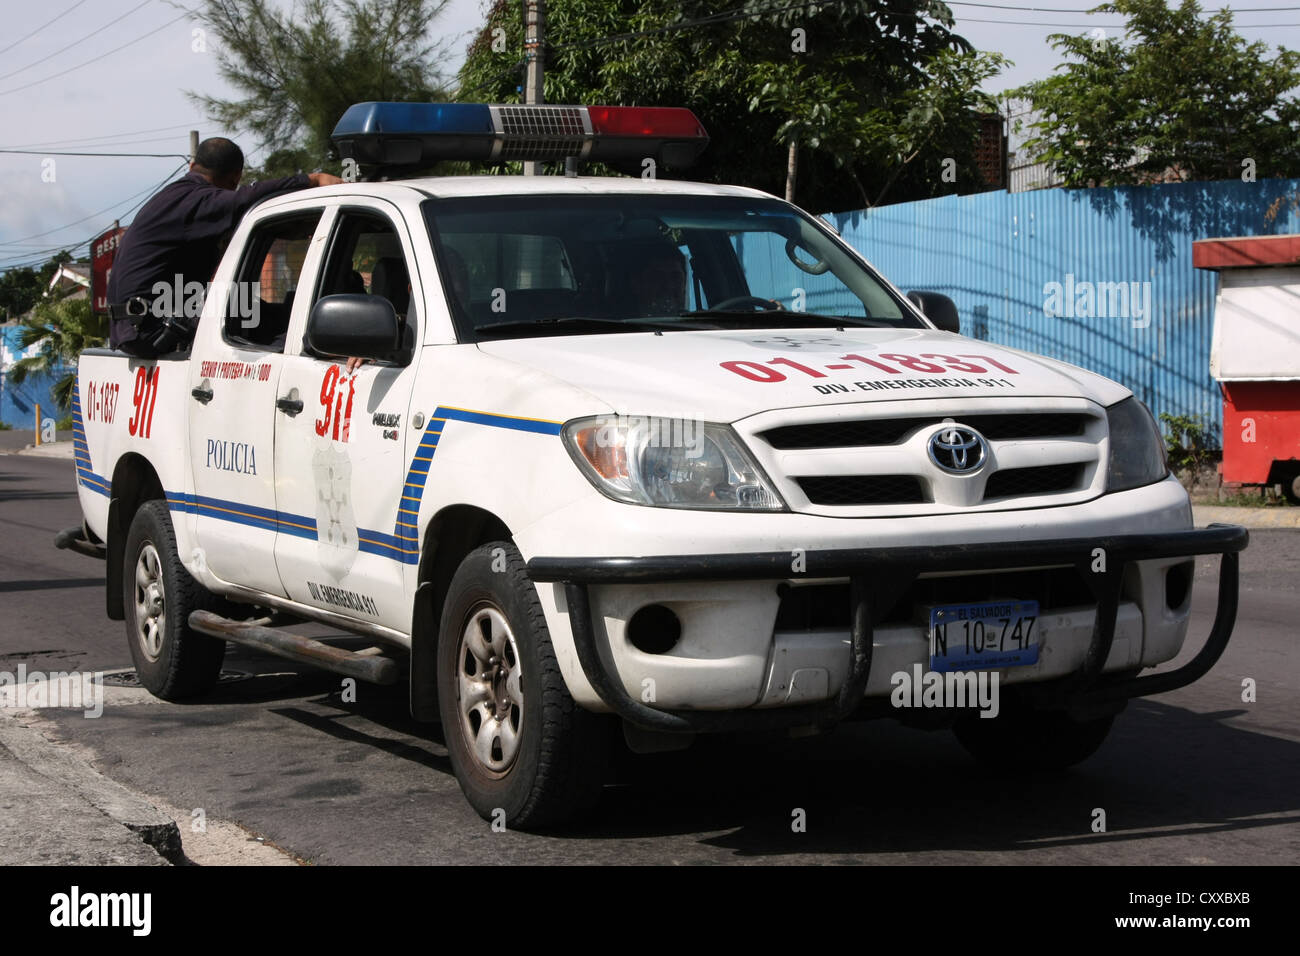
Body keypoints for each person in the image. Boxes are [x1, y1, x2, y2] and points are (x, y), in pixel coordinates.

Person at [106, 137, 343, 356]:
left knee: (258, 310)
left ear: (192, 165)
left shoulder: (175, 198)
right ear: (235, 178)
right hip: (150, 330)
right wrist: (310, 180)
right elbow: (244, 199)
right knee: (280, 327)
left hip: (134, 327)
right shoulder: (198, 201)